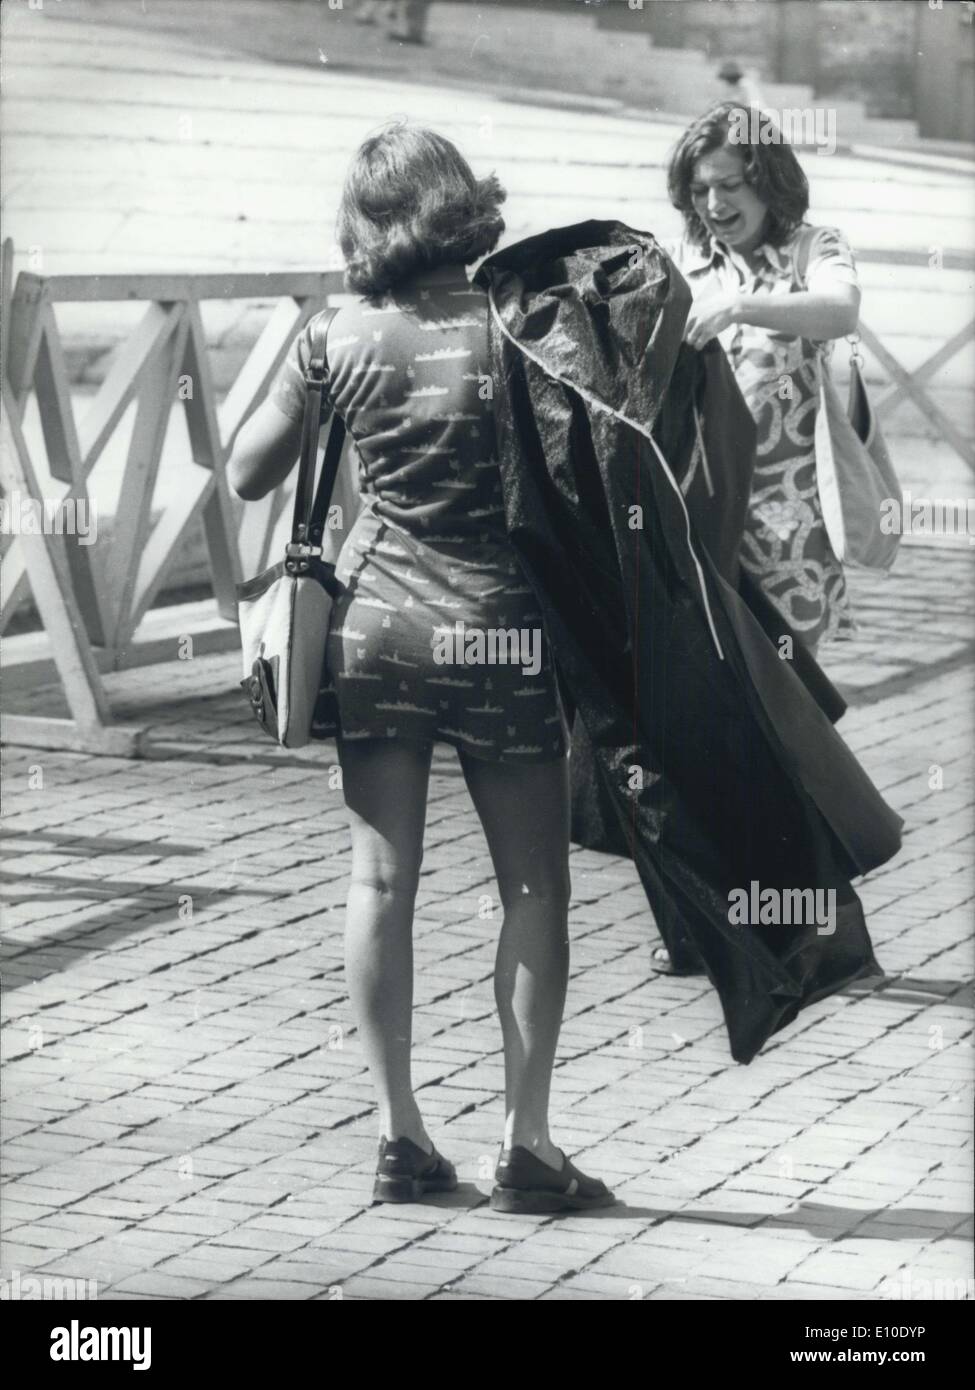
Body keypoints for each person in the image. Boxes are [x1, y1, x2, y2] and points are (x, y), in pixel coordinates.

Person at [228, 124, 613, 1215]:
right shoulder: (516, 325)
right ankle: (527, 1144)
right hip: (502, 631)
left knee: (378, 883)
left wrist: (321, 371)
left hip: (378, 631)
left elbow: (251, 472)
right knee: (533, 883)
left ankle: (399, 1134)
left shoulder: (337, 331)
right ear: (462, 205)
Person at [667, 101, 861, 660]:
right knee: (711, 696)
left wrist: (739, 306)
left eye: (728, 186)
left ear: (767, 180)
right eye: (700, 190)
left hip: (786, 526)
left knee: (788, 703)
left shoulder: (813, 248)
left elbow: (841, 309)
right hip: (699, 521)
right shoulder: (685, 260)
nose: (713, 205)